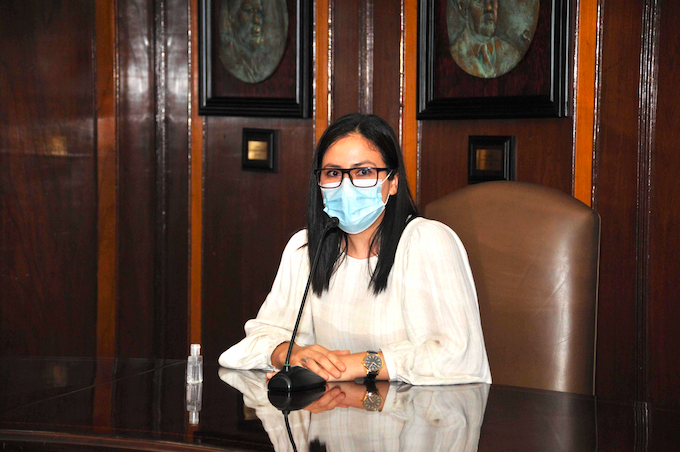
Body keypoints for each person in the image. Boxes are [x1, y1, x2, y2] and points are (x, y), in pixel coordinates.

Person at [219, 114, 491, 385]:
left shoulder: (426, 242)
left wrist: (361, 364)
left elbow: (458, 356)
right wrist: (287, 353)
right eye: (333, 173)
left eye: (363, 172)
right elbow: (254, 342)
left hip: (414, 410)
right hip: (330, 406)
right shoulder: (305, 249)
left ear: (393, 181)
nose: (346, 186)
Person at [218, 0, 287, 83]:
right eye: (249, 11)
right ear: (232, 17)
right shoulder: (229, 58)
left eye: (259, 12)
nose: (256, 20)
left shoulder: (263, 62)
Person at [450, 0, 521, 78]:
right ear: (464, 9)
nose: (489, 7)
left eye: (493, 0)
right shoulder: (454, 55)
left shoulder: (512, 54)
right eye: (480, 1)